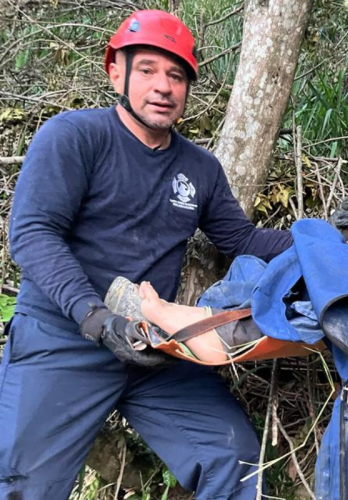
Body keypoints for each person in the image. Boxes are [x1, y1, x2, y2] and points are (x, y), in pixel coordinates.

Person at [0, 10, 293, 499]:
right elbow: (32, 234)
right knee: (22, 486)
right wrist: (94, 317)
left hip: (151, 346)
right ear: (116, 71)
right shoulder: (75, 137)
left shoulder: (199, 169)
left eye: (176, 76)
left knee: (233, 458)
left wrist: (323, 240)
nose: (163, 87)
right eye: (148, 71)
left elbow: (242, 241)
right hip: (64, 339)